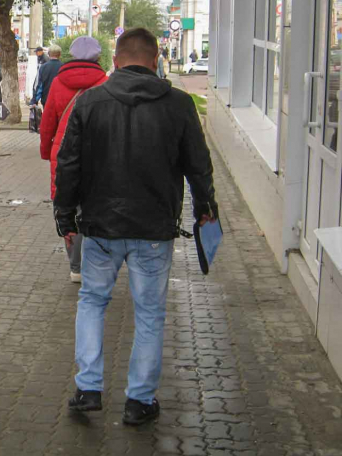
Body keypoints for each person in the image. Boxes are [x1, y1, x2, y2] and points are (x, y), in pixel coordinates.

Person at [54, 27, 217, 426]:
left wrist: (65, 218)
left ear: (116, 59)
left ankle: (88, 388)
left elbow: (68, 164)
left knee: (93, 302)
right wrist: (205, 209)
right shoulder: (179, 104)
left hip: (100, 228)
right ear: (156, 58)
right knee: (149, 314)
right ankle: (139, 401)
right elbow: (198, 164)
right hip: (154, 230)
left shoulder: (89, 102)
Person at [40, 37, 107, 283]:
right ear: (99, 58)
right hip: (96, 155)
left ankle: (75, 265)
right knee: (92, 208)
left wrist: (47, 151)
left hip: (62, 154)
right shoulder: (105, 83)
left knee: (66, 207)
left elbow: (48, 122)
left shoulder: (59, 83)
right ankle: (93, 263)